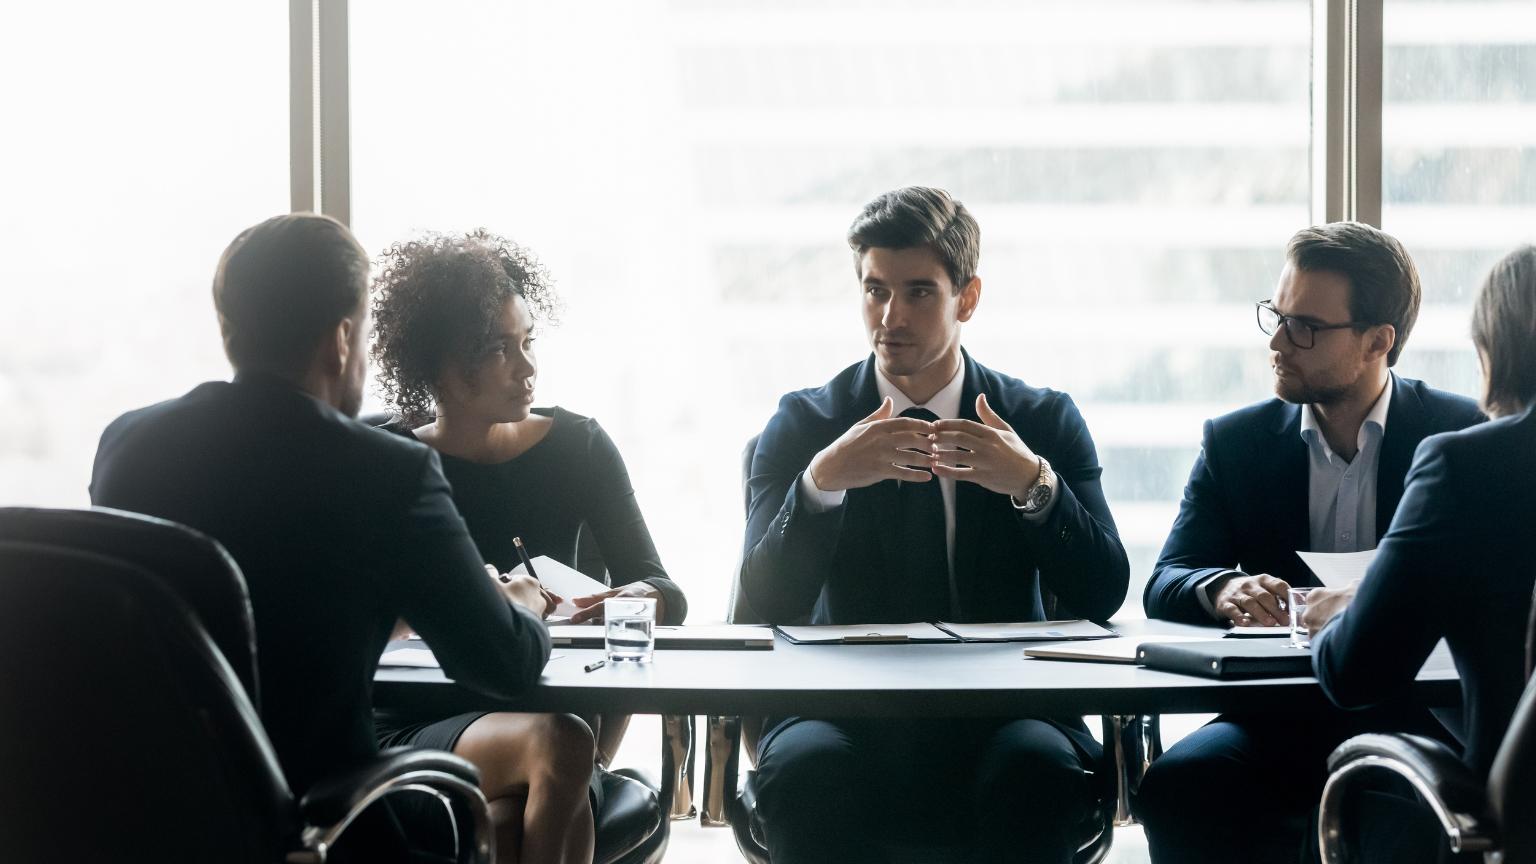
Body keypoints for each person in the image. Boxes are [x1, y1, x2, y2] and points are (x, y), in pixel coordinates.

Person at [88, 213, 583, 864]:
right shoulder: (387, 472)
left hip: (155, 820)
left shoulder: (129, 445)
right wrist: (520, 605)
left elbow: (231, 595)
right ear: (343, 339)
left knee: (503, 813)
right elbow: (502, 664)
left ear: (233, 326)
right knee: (509, 813)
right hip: (323, 824)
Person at [739, 186, 1129, 863]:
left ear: (967, 299)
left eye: (919, 292)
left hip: (1013, 710)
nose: (890, 316)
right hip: (842, 711)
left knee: (1034, 771)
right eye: (874, 290)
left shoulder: (1042, 421)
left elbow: (1104, 593)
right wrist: (819, 485)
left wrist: (1035, 487)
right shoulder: (804, 425)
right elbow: (759, 606)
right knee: (806, 774)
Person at [1135, 222, 1484, 864]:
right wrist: (1223, 587)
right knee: (1180, 786)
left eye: (1305, 327)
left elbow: (1496, 583)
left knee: (1403, 815)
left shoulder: (1458, 436)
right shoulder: (1234, 443)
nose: (1277, 341)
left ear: (1379, 341)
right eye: (1276, 315)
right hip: (1273, 716)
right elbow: (1167, 577)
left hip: (1416, 713)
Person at [368, 229, 686, 814]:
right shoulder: (380, 457)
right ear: (440, 365)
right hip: (414, 717)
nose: (529, 366)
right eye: (500, 350)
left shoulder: (579, 447)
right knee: (517, 807)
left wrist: (635, 598)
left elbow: (665, 590)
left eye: (529, 340)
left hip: (544, 707)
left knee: (515, 811)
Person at [1306, 244, 1536, 862]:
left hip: (1517, 819)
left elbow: (1356, 674)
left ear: (1494, 348)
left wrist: (1344, 611)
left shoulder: (1468, 465)